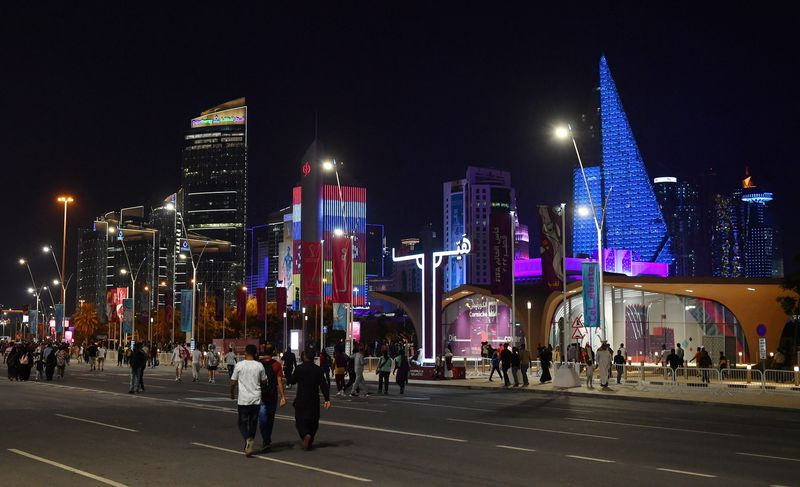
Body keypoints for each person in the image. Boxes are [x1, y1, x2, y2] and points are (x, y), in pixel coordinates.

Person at [287, 350, 331, 450]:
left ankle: (305, 435)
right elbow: (323, 385)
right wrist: (327, 399)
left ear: (305, 357)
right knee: (314, 419)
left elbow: (292, 381)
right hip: (313, 398)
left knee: (300, 419)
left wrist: (289, 376)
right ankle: (310, 435)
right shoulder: (318, 369)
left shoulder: (299, 368)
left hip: (301, 398)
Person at [230, 344, 266, 457]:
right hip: (256, 399)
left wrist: (232, 393)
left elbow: (233, 382)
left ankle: (247, 439)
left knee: (242, 423)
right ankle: (250, 439)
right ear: (255, 354)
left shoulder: (239, 365)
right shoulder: (259, 366)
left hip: (243, 400)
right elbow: (264, 381)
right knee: (253, 422)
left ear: (245, 353)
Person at [258, 345, 287, 451]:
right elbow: (279, 381)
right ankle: (267, 439)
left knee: (262, 419)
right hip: (272, 395)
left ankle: (265, 439)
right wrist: (283, 396)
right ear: (273, 352)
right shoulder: (277, 365)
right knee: (270, 419)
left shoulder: (258, 364)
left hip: (260, 394)